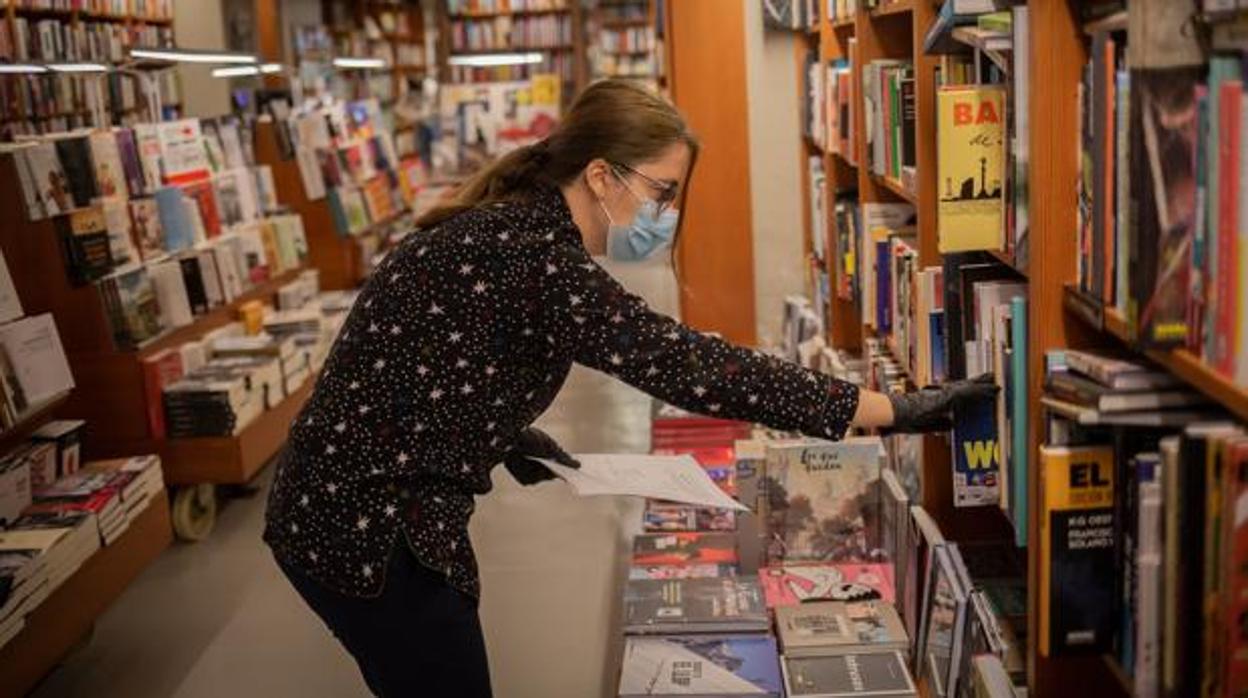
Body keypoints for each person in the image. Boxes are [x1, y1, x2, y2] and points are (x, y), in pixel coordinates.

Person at [263, 79, 995, 698]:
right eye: (661, 191)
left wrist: (504, 430)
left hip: (338, 506)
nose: (666, 214)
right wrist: (885, 409)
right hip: (366, 528)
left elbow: (430, 357)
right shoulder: (533, 256)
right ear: (602, 175)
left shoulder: (512, 230)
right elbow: (688, 365)